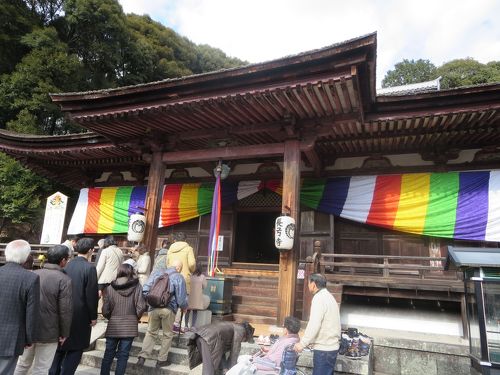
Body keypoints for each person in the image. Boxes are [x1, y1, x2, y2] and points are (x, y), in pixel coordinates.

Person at [15, 245, 72, 375]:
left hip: (28, 328)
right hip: (50, 331)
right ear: (63, 260)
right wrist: (64, 333)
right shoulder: (64, 280)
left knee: (22, 364)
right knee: (41, 368)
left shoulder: (33, 274)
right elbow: (65, 310)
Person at [49, 238, 98, 375]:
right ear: (90, 251)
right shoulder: (89, 268)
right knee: (76, 348)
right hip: (80, 314)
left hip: (63, 310)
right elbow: (91, 295)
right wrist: (93, 316)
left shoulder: (67, 265)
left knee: (60, 347)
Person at [136, 259, 188, 368]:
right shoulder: (178, 277)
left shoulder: (157, 273)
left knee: (151, 332)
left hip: (153, 308)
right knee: (167, 334)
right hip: (168, 309)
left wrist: (150, 301)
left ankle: (142, 357)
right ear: (178, 268)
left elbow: (145, 289)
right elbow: (181, 299)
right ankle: (161, 360)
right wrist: (184, 307)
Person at [0, 240, 40, 375]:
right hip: (11, 337)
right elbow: (31, 313)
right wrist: (30, 338)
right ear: (26, 257)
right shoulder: (30, 278)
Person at [100, 263, 147, 375]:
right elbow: (141, 307)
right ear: (131, 272)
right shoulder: (137, 286)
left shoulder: (110, 288)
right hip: (129, 326)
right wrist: (135, 318)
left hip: (113, 325)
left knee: (108, 354)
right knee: (123, 356)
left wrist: (111, 317)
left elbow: (105, 309)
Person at [294, 273, 340, 375]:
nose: (308, 286)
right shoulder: (330, 297)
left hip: (324, 349)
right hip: (332, 347)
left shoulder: (319, 298)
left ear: (313, 284)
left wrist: (302, 343)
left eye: (308, 283)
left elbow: (314, 324)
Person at [226, 316, 301, 375]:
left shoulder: (287, 343)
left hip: (272, 367)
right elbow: (279, 356)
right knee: (243, 360)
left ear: (286, 329)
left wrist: (254, 362)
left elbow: (275, 362)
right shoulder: (294, 340)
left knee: (242, 361)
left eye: (283, 326)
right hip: (272, 363)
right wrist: (269, 351)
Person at [187, 321, 255, 375]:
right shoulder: (240, 329)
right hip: (209, 339)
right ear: (246, 334)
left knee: (210, 366)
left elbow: (220, 352)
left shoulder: (231, 325)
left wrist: (225, 368)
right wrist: (232, 370)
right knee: (209, 370)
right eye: (245, 339)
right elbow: (235, 351)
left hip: (200, 336)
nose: (243, 341)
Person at [167, 232, 195, 331]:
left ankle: (168, 322)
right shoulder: (188, 249)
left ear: (176, 240)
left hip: (171, 277)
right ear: (185, 240)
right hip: (183, 278)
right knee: (181, 301)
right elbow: (192, 264)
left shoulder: (170, 249)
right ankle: (176, 324)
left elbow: (167, 263)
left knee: (171, 298)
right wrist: (190, 270)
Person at [185, 263, 207, 330]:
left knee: (187, 311)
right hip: (197, 296)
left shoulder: (190, 276)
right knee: (195, 311)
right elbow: (204, 286)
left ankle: (186, 326)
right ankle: (193, 326)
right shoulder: (202, 277)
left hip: (189, 295)